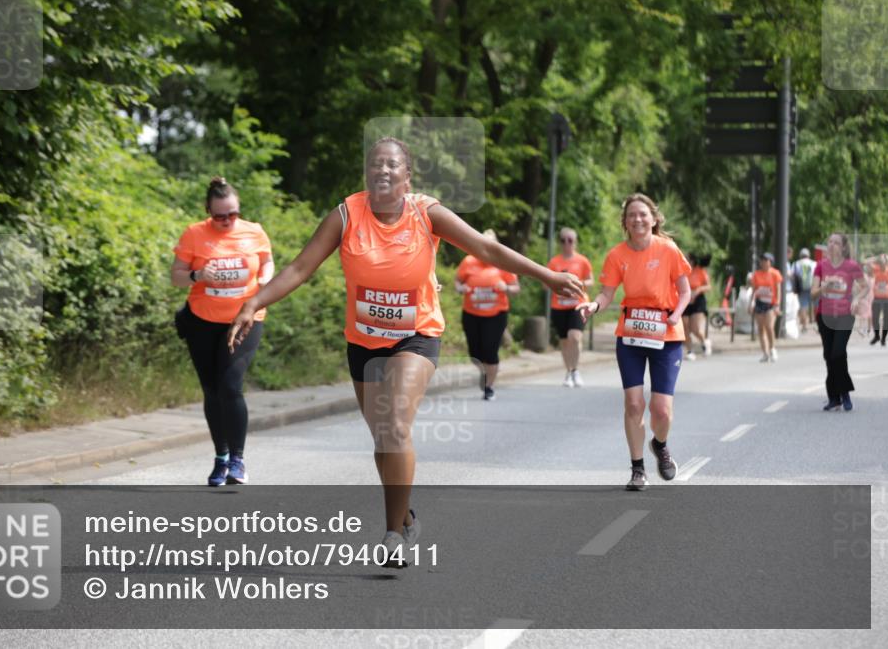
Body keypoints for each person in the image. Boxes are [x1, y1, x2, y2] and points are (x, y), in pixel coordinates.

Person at [228, 137, 585, 564]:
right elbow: (300, 268)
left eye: (392, 165)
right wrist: (253, 302)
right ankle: (406, 517)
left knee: (396, 424)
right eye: (375, 164)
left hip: (416, 334)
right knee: (383, 437)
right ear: (366, 174)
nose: (382, 170)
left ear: (407, 175)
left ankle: (393, 535)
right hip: (362, 340)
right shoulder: (346, 214)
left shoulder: (425, 212)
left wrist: (547, 276)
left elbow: (486, 248)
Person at [577, 193, 691, 492]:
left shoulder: (668, 249)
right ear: (625, 222)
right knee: (633, 403)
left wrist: (675, 315)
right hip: (631, 335)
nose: (637, 219)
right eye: (632, 215)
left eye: (643, 214)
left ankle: (661, 445)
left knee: (662, 410)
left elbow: (685, 292)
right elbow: (606, 293)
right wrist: (594, 306)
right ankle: (638, 469)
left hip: (666, 335)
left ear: (654, 219)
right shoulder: (617, 255)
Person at [171, 177, 274, 486]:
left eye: (232, 214)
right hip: (202, 321)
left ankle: (239, 461)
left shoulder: (253, 231)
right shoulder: (194, 234)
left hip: (245, 319)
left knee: (230, 386)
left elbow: (267, 263)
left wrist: (264, 282)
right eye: (220, 216)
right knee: (213, 391)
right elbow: (176, 277)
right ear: (208, 211)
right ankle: (221, 458)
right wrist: (197, 274)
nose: (227, 221)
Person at [454, 230, 520, 400]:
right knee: (475, 354)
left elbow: (516, 288)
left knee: (490, 352)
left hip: (495, 314)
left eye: (490, 244)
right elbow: (457, 282)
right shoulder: (468, 261)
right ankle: (486, 371)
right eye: (483, 242)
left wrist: (505, 288)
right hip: (471, 313)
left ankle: (489, 386)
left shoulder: (503, 263)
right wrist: (461, 288)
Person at [812, 232, 869, 411]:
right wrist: (823, 287)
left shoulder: (851, 266)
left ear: (843, 247)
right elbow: (813, 293)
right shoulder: (821, 266)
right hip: (824, 315)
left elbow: (865, 287)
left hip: (845, 315)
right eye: (830, 242)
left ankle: (844, 392)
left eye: (836, 243)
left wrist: (855, 299)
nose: (832, 245)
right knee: (829, 355)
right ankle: (834, 397)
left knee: (837, 353)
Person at [547, 227, 593, 387]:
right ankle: (568, 372)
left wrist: (577, 283)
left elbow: (590, 281)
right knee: (565, 341)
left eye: (570, 240)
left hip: (578, 305)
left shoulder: (582, 261)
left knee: (575, 337)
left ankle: (576, 370)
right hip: (559, 306)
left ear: (575, 242)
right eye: (563, 240)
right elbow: (545, 283)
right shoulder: (554, 262)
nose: (566, 243)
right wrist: (555, 284)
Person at [749, 252, 784, 363]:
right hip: (760, 302)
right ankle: (765, 353)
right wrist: (751, 303)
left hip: (771, 304)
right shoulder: (756, 274)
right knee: (760, 328)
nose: (763, 263)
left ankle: (772, 348)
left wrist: (777, 304)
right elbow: (754, 290)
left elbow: (778, 290)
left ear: (770, 262)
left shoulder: (775, 274)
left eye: (766, 261)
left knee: (769, 326)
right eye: (762, 261)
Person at [682, 255, 712, 360]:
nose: (685, 260)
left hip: (698, 301)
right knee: (685, 327)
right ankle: (690, 351)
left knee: (695, 328)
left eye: (688, 259)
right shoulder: (682, 271)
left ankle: (704, 341)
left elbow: (709, 286)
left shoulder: (700, 271)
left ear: (693, 261)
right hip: (684, 300)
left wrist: (698, 290)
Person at [864, 252, 888, 347]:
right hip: (877, 298)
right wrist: (876, 258)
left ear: (886, 262)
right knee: (875, 319)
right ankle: (876, 336)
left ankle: (883, 338)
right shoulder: (876, 269)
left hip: (887, 298)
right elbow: (865, 262)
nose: (882, 263)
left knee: (886, 319)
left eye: (884, 261)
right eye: (881, 261)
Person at [793, 248, 817, 333]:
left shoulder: (796, 264)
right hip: (813, 287)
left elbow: (793, 275)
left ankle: (804, 326)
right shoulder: (814, 263)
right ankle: (818, 325)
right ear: (808, 255)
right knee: (815, 305)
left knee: (803, 306)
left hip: (801, 288)